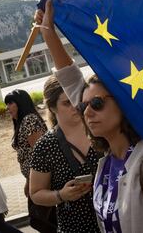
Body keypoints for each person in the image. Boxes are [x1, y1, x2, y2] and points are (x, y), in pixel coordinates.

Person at [35, 0, 143, 233]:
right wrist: (49, 34)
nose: (87, 111)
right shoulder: (106, 163)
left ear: (124, 105)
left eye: (97, 104)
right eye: (83, 106)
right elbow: (73, 83)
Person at [30, 75, 101, 232]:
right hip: (74, 228)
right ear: (52, 107)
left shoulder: (100, 129)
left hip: (114, 224)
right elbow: (35, 193)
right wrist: (61, 195)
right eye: (67, 103)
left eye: (76, 99)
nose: (75, 106)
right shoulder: (45, 146)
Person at [4, 89, 57, 232]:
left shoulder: (29, 120)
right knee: (43, 220)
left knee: (43, 220)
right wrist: (28, 180)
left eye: (10, 103)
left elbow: (39, 152)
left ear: (20, 103)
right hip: (35, 178)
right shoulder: (22, 121)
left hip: (42, 179)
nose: (7, 107)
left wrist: (33, 180)